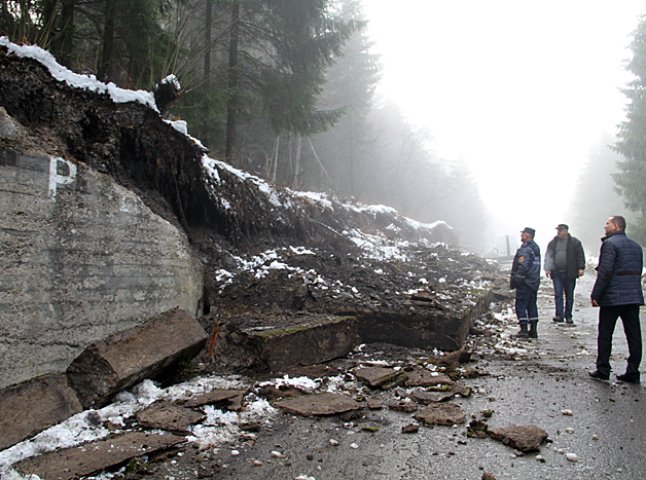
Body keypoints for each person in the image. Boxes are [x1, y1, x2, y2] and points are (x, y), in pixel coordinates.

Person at [589, 216, 644, 383]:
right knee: (634, 335)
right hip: (633, 297)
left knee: (605, 333)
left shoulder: (610, 244)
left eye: (607, 223)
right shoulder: (636, 246)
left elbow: (605, 271)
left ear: (616, 225)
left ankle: (603, 369)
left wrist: (596, 294)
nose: (605, 226)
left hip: (613, 297)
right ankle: (633, 371)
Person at [544, 224, 585, 325]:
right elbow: (548, 255)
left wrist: (581, 268)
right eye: (558, 230)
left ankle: (568, 316)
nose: (558, 232)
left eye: (560, 230)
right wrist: (547, 268)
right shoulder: (553, 243)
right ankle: (559, 315)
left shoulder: (575, 242)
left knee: (569, 295)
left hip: (570, 273)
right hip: (557, 272)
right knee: (558, 294)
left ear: (566, 231)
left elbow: (580, 255)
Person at [510, 227, 541, 338]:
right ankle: (533, 330)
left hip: (525, 282)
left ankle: (523, 329)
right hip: (534, 282)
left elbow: (522, 265)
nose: (521, 236)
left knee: (521, 305)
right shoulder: (535, 248)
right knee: (532, 305)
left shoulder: (525, 249)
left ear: (527, 235)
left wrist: (517, 279)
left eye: (522, 234)